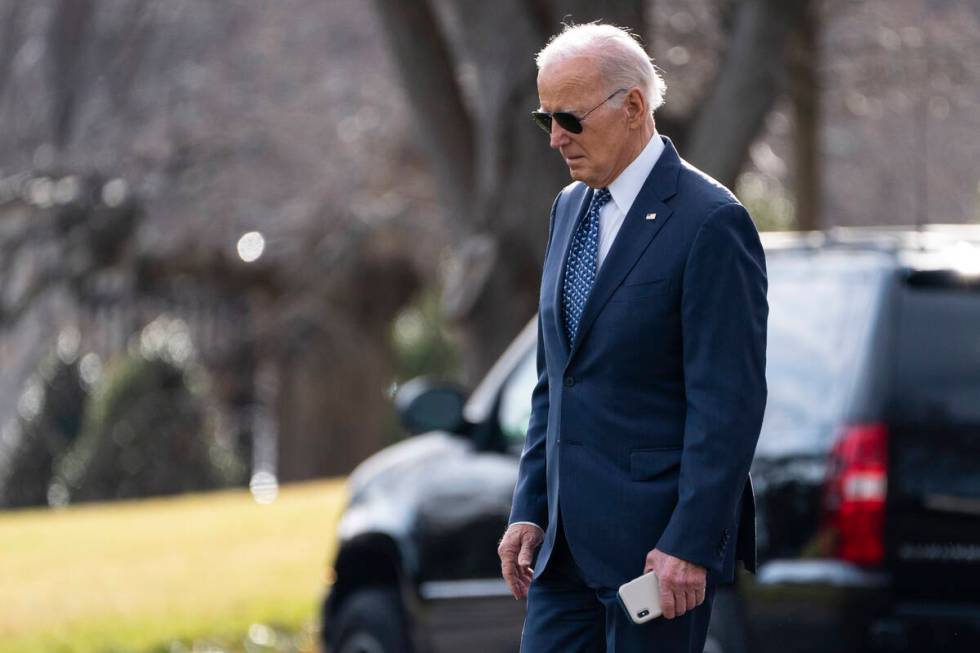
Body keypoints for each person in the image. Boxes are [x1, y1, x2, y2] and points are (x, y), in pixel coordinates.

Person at [497, 22, 769, 653]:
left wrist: (689, 544)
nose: (557, 138)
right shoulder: (568, 209)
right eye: (546, 120)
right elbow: (555, 381)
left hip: (656, 561)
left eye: (569, 118)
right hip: (561, 557)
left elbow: (727, 405)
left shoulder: (712, 222)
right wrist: (530, 507)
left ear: (634, 107)